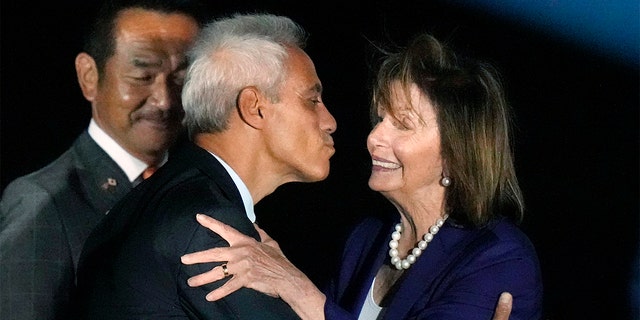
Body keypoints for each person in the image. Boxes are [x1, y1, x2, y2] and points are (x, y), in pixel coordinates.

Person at [180, 33, 543, 319]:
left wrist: (295, 286)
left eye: (403, 124)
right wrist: (279, 277)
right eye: (380, 119)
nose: (374, 138)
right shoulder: (367, 238)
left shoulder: (499, 259)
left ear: (455, 153)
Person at [74, 13, 336, 319]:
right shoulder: (211, 227)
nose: (330, 122)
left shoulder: (149, 205)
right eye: (312, 100)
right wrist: (301, 291)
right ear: (254, 107)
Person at [0, 1, 203, 319]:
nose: (165, 100)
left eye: (181, 79)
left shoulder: (199, 191)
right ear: (89, 76)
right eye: (142, 75)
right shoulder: (45, 204)